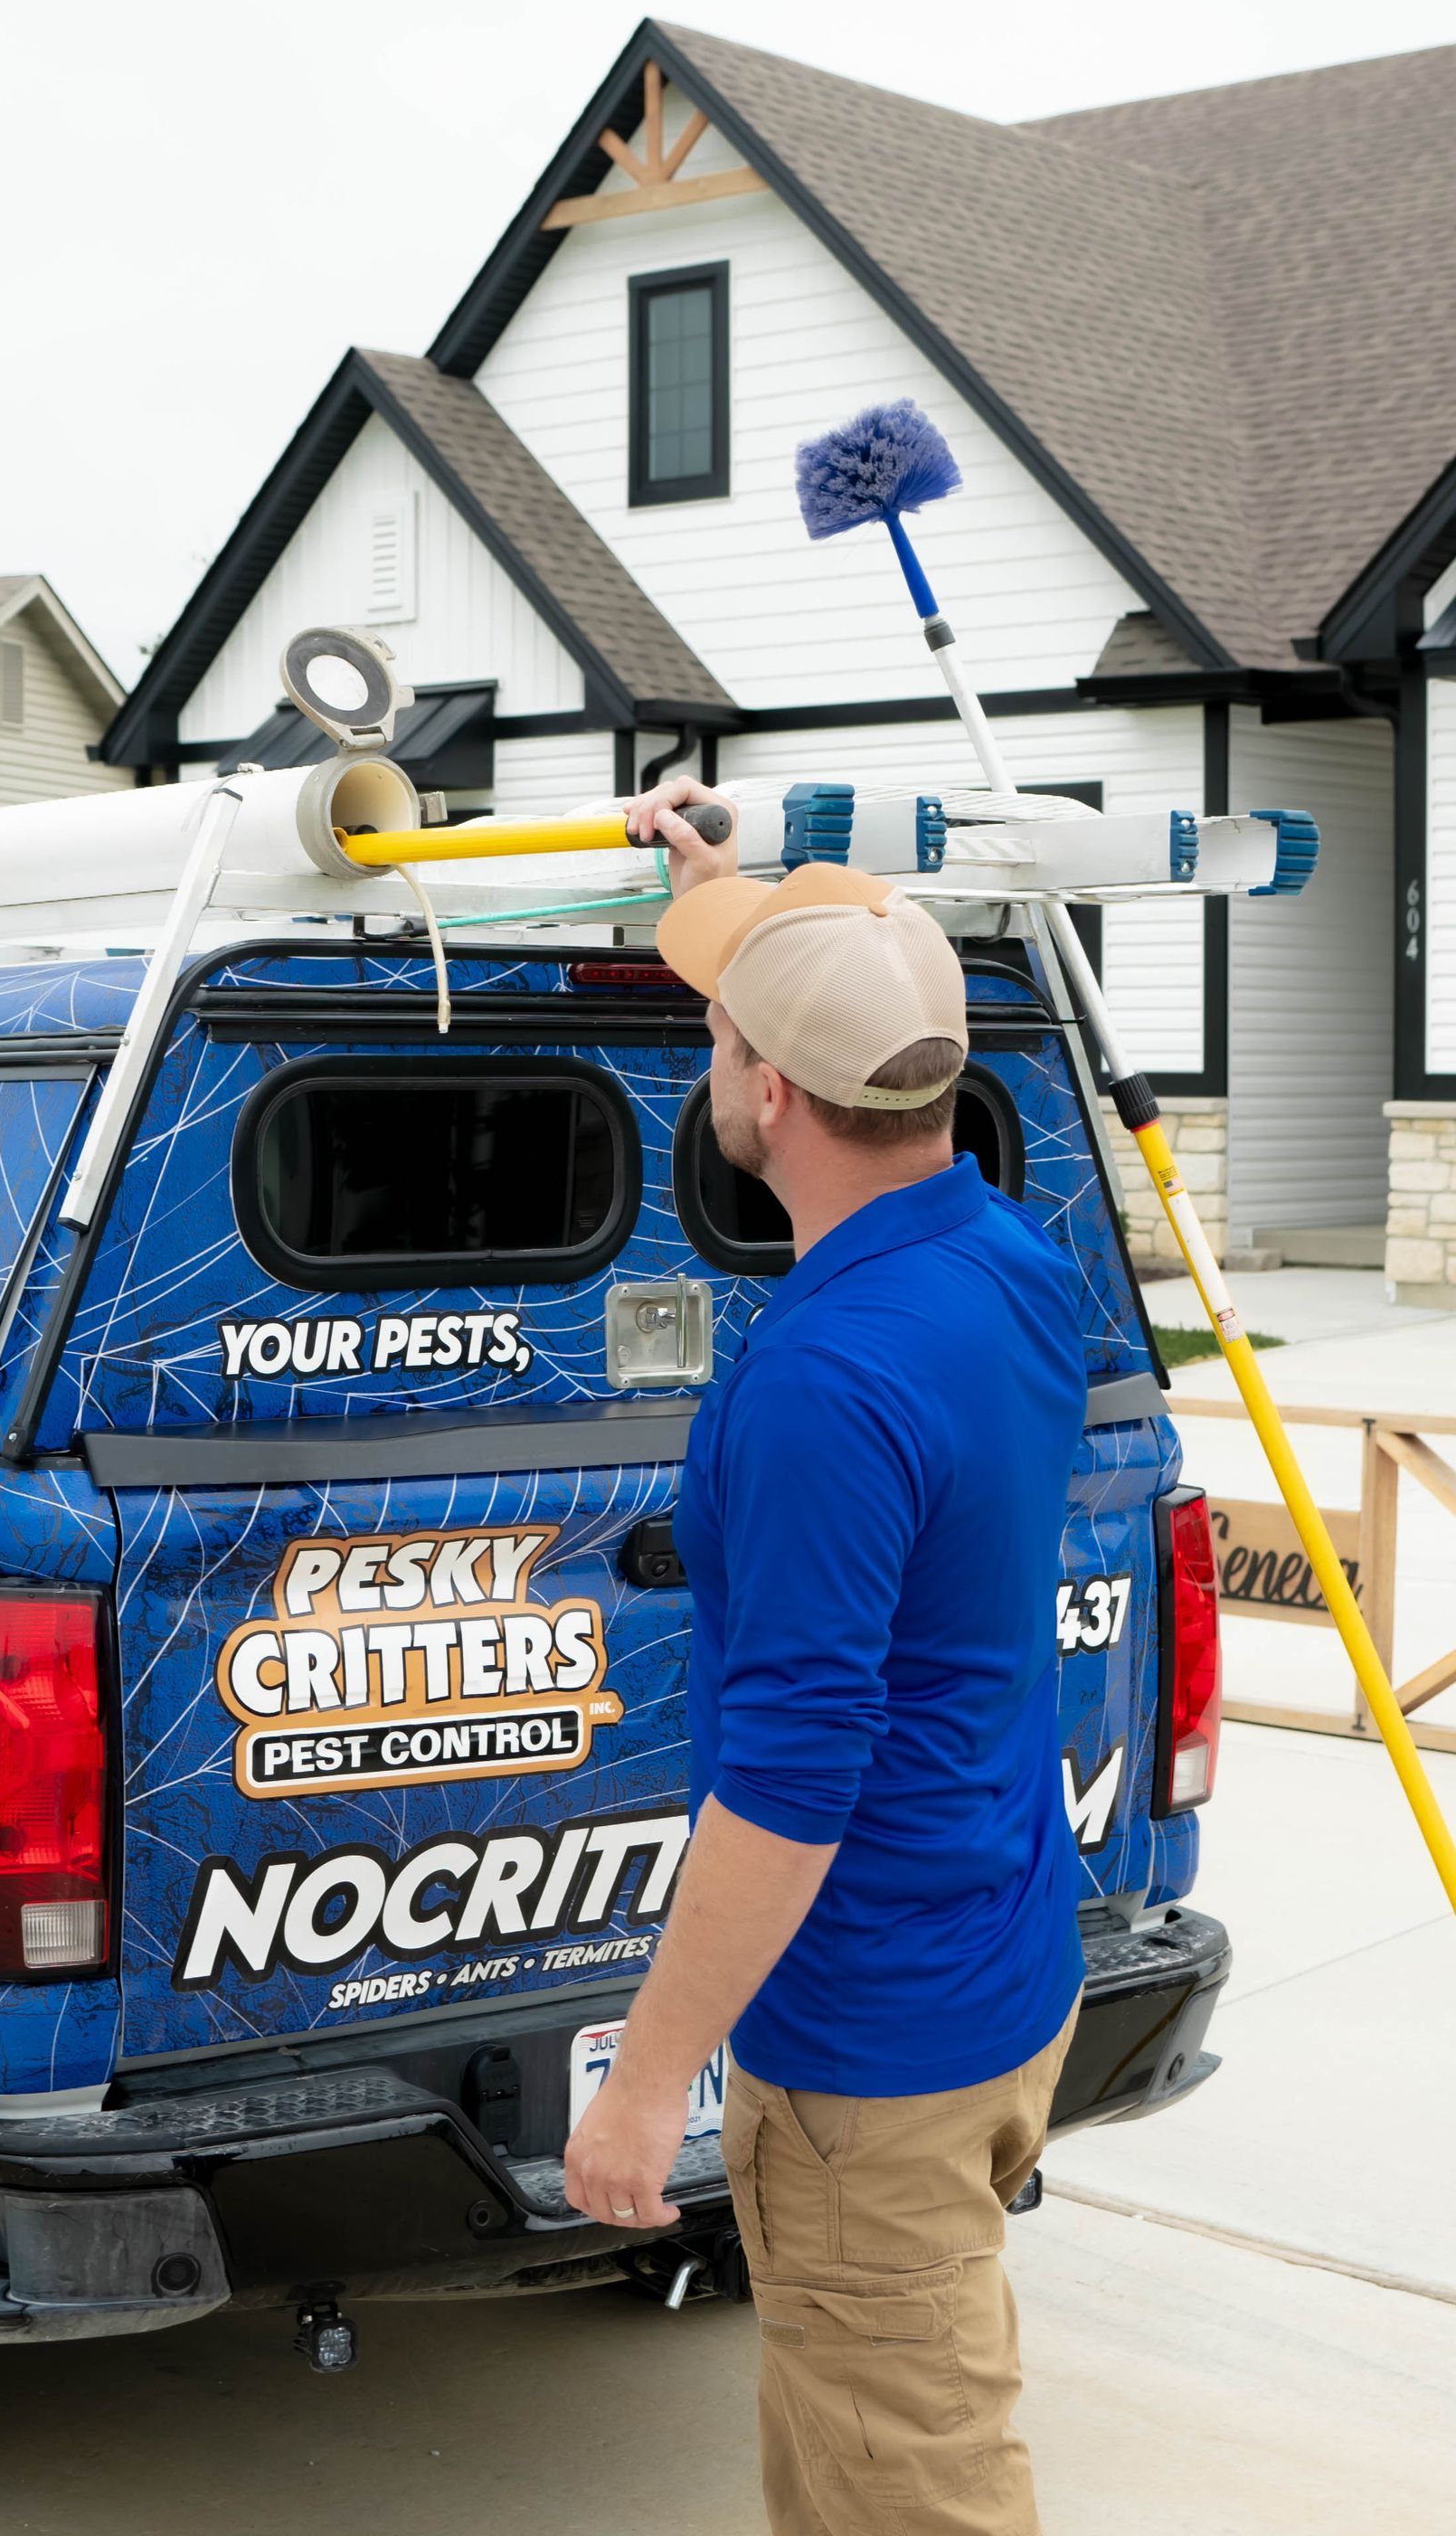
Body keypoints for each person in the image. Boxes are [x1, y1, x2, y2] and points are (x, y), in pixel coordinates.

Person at [564, 782, 1087, 2536]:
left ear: (768, 1093)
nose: (714, 1059)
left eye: (723, 1033)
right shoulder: (1012, 1262)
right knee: (876, 2445)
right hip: (1002, 1966)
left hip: (874, 2048)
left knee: (908, 2494)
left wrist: (643, 2097)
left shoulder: (818, 1386)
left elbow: (789, 1792)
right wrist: (738, 906)